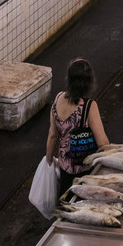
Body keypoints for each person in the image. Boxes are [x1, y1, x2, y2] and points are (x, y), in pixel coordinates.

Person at [45, 58, 112, 199]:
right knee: (83, 204)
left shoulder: (57, 99)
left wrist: (49, 159)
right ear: (88, 82)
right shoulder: (89, 106)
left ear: (69, 79)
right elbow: (102, 143)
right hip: (84, 167)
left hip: (65, 166)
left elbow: (53, 134)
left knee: (66, 201)